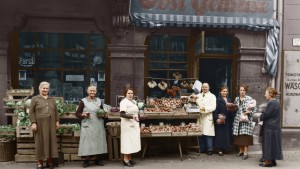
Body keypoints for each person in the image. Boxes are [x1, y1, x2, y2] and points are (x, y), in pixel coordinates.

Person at [29, 81, 60, 169]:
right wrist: (33, 122)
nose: (45, 90)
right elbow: (31, 112)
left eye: (47, 88)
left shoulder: (51, 99)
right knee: (40, 141)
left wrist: (57, 121)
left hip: (51, 123)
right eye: (43, 88)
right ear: (39, 88)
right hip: (40, 124)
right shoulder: (35, 98)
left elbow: (56, 111)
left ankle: (49, 161)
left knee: (50, 141)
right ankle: (40, 162)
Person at [76, 85, 107, 168]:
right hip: (88, 124)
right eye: (91, 91)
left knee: (99, 141)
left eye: (94, 91)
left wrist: (103, 114)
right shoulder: (83, 101)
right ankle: (86, 160)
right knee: (87, 142)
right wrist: (83, 114)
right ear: (87, 91)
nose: (92, 92)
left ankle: (98, 159)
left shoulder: (99, 101)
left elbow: (102, 111)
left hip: (98, 123)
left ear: (96, 92)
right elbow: (77, 113)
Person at [259, 87, 283, 167]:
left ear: (270, 94)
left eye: (266, 93)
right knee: (273, 144)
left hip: (269, 127)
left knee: (268, 144)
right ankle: (273, 161)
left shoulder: (272, 103)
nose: (265, 95)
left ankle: (268, 162)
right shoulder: (275, 102)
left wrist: (261, 115)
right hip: (274, 126)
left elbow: (266, 115)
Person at [233, 84, 256, 160]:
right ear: (239, 91)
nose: (242, 91)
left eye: (243, 90)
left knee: (245, 136)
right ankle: (241, 151)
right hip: (237, 120)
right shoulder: (236, 99)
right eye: (240, 90)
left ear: (246, 91)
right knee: (239, 136)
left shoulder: (249, 99)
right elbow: (235, 108)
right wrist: (232, 108)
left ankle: (246, 152)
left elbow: (254, 109)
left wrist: (248, 112)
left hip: (246, 119)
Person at [120, 87, 141, 167]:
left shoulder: (133, 102)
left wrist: (139, 116)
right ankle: (125, 160)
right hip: (127, 125)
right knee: (127, 142)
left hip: (133, 124)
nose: (130, 94)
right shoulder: (123, 102)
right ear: (125, 94)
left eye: (132, 93)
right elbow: (122, 114)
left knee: (131, 142)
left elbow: (135, 112)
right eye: (128, 93)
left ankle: (129, 158)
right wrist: (132, 117)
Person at [213, 86, 236, 156]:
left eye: (226, 91)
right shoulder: (217, 100)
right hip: (221, 119)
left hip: (228, 119)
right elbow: (215, 110)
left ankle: (225, 148)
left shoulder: (229, 99)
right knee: (220, 134)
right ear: (220, 92)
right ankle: (219, 149)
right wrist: (216, 118)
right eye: (223, 91)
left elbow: (232, 110)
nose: (225, 93)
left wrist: (233, 109)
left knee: (226, 134)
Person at [196, 83, 216, 155]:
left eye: (206, 87)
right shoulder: (198, 96)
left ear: (209, 88)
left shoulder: (212, 96)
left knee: (208, 134)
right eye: (203, 87)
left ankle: (210, 149)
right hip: (200, 116)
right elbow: (194, 103)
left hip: (208, 116)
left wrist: (204, 109)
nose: (204, 88)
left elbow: (213, 107)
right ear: (201, 88)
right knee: (200, 133)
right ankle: (202, 148)